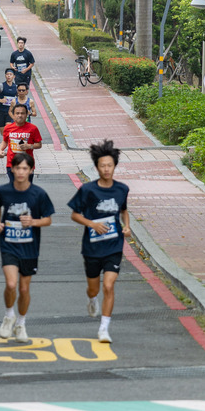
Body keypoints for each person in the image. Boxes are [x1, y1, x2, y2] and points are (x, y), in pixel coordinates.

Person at [68, 140, 131, 344]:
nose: (106, 169)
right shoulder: (88, 190)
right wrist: (92, 224)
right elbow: (74, 214)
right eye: (102, 166)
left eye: (109, 165)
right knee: (94, 288)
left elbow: (124, 210)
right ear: (96, 167)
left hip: (114, 246)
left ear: (114, 166)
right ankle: (92, 299)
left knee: (109, 286)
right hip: (92, 247)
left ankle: (104, 328)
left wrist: (127, 226)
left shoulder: (122, 189)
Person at [0, 156, 55, 341]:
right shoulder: (3, 190)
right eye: (18, 168)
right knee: (11, 284)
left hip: (29, 247)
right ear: (12, 169)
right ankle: (8, 316)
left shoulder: (39, 194)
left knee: (24, 289)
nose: (21, 172)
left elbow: (48, 219)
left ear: (31, 170)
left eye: (25, 168)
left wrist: (33, 222)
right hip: (9, 244)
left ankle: (21, 323)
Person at [0, 103, 43, 177]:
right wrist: (1, 150)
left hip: (27, 164)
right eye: (17, 113)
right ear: (13, 115)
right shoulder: (7, 128)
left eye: (22, 113)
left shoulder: (33, 128)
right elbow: (5, 141)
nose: (20, 115)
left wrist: (29, 146)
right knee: (13, 184)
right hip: (11, 163)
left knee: (26, 185)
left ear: (26, 115)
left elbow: (39, 144)